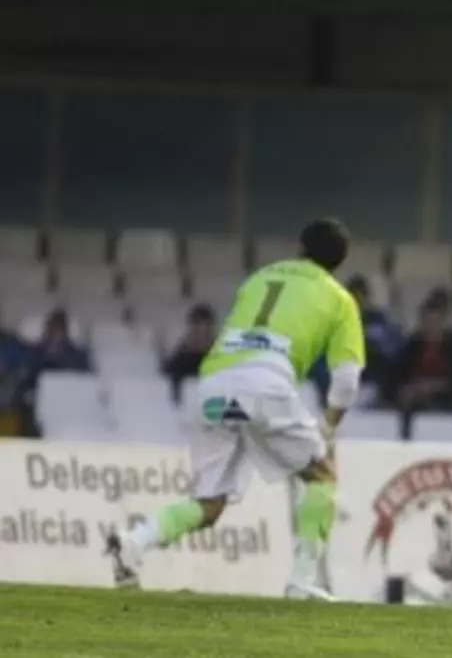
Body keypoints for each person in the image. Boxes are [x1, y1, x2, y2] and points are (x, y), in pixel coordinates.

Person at [106, 218, 365, 601]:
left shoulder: (259, 278)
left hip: (213, 385)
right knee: (321, 475)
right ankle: (302, 582)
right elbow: (346, 382)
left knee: (209, 504)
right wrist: (327, 428)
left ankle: (134, 541)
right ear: (341, 261)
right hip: (266, 383)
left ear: (300, 246)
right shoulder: (340, 299)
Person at [389, 290, 452, 440]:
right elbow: (395, 377)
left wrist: (433, 388)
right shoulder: (412, 346)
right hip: (415, 403)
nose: (431, 327)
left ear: (444, 323)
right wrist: (407, 389)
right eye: (427, 322)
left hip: (448, 403)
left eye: (436, 323)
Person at [161, 303, 218, 404]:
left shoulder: (214, 344)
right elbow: (172, 364)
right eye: (198, 326)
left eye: (205, 326)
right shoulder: (186, 344)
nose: (202, 330)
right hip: (190, 362)